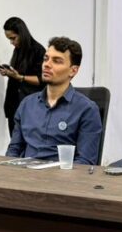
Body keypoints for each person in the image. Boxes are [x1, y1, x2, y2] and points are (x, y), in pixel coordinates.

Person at [6, 36, 102, 165]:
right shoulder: (27, 104)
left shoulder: (87, 109)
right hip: (25, 173)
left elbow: (85, 162)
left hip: (62, 175)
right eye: (46, 59)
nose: (47, 64)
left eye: (57, 61)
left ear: (73, 70)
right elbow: (13, 151)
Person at [0, 17, 45, 135]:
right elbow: (18, 74)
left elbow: (41, 80)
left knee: (30, 141)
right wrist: (9, 73)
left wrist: (20, 77)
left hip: (30, 106)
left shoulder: (38, 50)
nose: (11, 42)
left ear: (22, 34)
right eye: (9, 39)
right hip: (14, 104)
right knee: (15, 141)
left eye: (13, 38)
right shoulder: (17, 50)